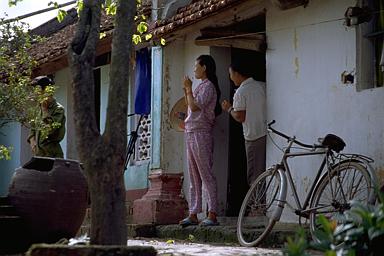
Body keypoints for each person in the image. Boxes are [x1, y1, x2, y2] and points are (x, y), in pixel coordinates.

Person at [179, 55, 221, 227]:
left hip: (201, 133)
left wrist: (188, 89)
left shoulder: (208, 87)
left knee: (205, 174)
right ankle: (194, 213)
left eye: (197, 66)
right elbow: (192, 109)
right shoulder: (200, 86)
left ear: (204, 67)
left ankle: (212, 213)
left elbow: (196, 106)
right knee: (194, 176)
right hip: (191, 132)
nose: (194, 69)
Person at [221, 62, 266, 186]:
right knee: (264, 170)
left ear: (236, 73)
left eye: (231, 74)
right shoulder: (262, 86)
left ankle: (256, 204)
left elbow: (240, 116)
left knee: (255, 175)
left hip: (254, 136)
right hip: (266, 133)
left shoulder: (241, 92)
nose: (230, 77)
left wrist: (229, 108)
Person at [27, 76, 66, 158]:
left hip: (52, 154)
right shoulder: (39, 107)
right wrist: (32, 140)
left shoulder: (58, 109)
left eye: (38, 90)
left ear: (46, 90)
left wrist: (45, 110)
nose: (36, 93)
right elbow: (33, 127)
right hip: (39, 154)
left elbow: (50, 130)